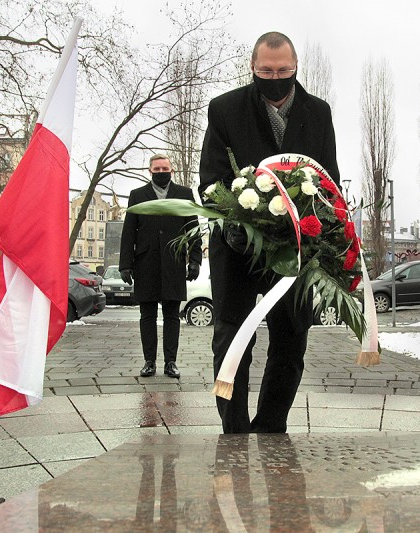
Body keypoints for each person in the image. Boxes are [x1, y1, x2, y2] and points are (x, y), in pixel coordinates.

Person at [199, 31, 340, 433]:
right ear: (253, 67)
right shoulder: (224, 109)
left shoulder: (318, 112)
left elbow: (330, 181)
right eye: (266, 70)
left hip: (295, 252)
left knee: (291, 339)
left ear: (295, 68)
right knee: (232, 339)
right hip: (237, 248)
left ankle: (272, 425)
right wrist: (233, 225)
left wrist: (323, 231)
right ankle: (235, 428)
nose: (275, 77)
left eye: (283, 70)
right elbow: (211, 180)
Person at [120, 154, 202, 378]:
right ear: (150, 171)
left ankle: (170, 362)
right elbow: (129, 232)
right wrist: (125, 265)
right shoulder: (138, 196)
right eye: (157, 169)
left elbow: (193, 229)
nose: (161, 172)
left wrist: (195, 260)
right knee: (147, 315)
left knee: (172, 316)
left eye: (164, 168)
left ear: (171, 171)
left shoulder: (184, 194)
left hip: (174, 263)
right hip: (145, 263)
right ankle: (149, 362)